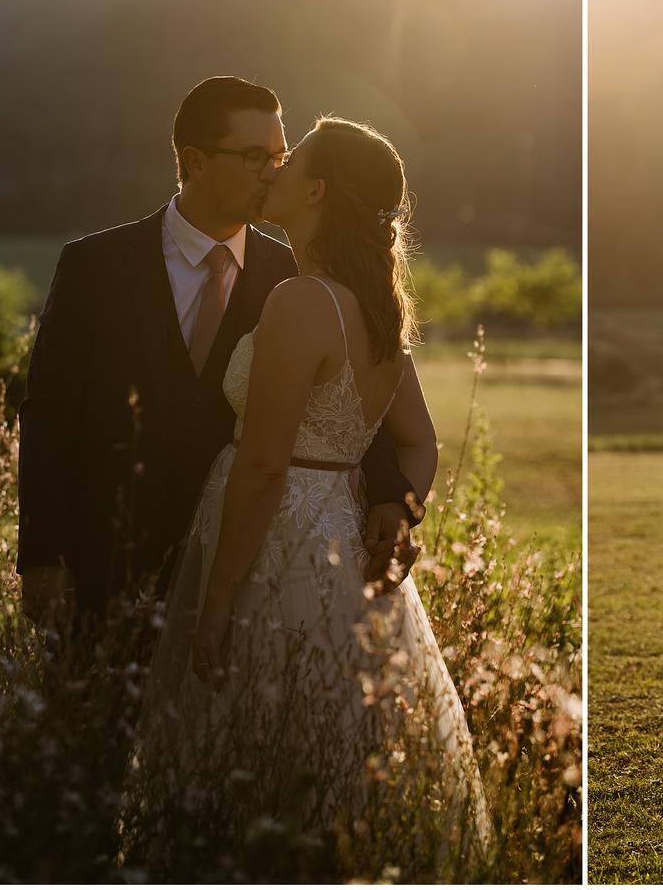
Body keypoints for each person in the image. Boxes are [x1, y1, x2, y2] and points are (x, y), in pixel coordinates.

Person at [137, 117, 489, 866]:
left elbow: (264, 466)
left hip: (280, 544)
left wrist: (218, 600)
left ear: (318, 190)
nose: (275, 168)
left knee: (257, 730)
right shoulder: (378, 307)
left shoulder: (303, 300)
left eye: (288, 160)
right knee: (329, 740)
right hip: (344, 535)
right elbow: (420, 442)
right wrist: (399, 510)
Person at [17, 77, 420, 639]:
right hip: (107, 563)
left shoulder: (301, 277)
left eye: (280, 156)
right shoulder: (94, 266)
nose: (273, 171)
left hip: (253, 571)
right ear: (194, 161)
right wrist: (40, 554)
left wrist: (391, 498)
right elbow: (49, 414)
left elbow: (350, 409)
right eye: (255, 156)